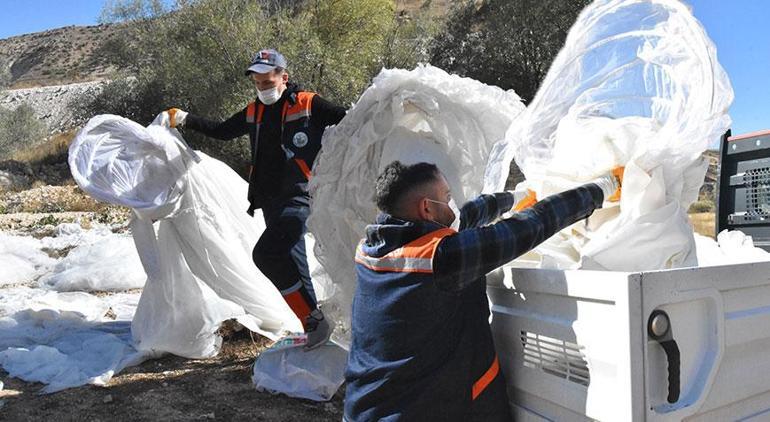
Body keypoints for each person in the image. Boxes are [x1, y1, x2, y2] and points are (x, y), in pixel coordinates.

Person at [344, 161, 623, 421]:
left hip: (364, 407)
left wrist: (514, 198)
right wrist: (599, 190)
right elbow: (531, 226)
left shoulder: (376, 248)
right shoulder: (441, 260)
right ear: (427, 209)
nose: (452, 202)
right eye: (447, 195)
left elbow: (462, 218)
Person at [156, 49, 346, 349]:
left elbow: (349, 121)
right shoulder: (254, 111)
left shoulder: (309, 104)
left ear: (284, 77)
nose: (262, 87)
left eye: (267, 80)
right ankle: (314, 327)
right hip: (271, 201)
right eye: (257, 82)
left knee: (267, 255)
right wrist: (185, 118)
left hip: (302, 197)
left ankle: (313, 319)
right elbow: (222, 131)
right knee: (295, 264)